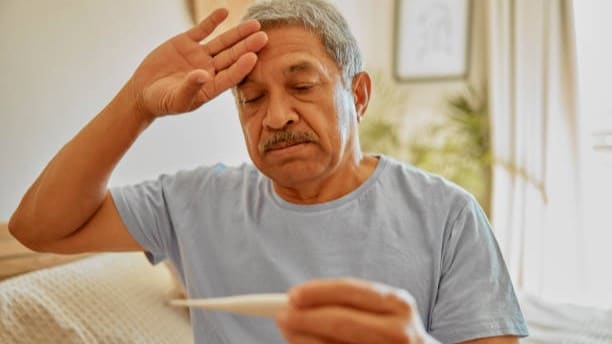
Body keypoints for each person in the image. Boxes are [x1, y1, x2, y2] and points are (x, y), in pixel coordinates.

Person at [8, 0, 528, 343]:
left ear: (359, 95)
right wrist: (137, 103)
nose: (276, 117)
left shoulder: (448, 214)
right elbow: (36, 227)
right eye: (252, 98)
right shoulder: (194, 202)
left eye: (302, 87)